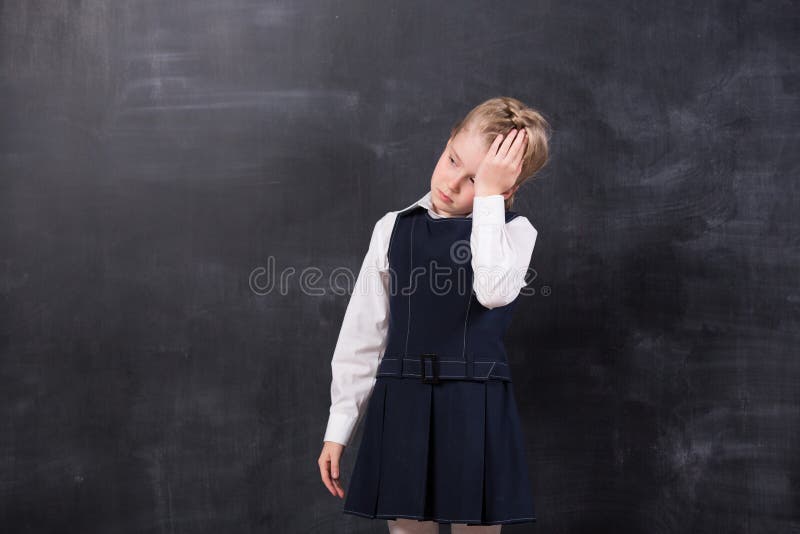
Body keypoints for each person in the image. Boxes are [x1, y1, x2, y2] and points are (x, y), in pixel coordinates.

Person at [318, 96, 551, 533]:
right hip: (402, 400)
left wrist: (487, 201)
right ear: (447, 141)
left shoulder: (514, 233)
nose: (452, 183)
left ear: (507, 189)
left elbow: (494, 290)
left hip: (475, 405)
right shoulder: (392, 227)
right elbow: (364, 332)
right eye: (452, 160)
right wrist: (339, 424)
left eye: (475, 180)